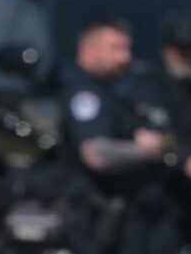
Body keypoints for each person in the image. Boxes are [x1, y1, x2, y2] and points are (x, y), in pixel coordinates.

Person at [60, 17, 179, 254]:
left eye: (127, 49)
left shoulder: (112, 93)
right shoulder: (85, 94)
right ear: (89, 49)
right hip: (96, 219)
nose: (125, 58)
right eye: (116, 49)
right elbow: (97, 154)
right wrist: (148, 149)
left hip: (127, 220)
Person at [131, 12, 191, 249]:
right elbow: (161, 139)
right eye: (182, 50)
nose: (189, 57)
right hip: (163, 200)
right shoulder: (151, 86)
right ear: (168, 50)